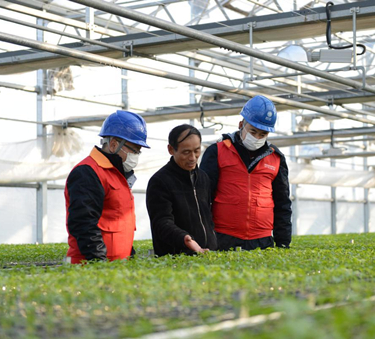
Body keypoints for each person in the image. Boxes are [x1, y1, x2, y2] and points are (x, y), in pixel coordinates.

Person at [200, 95, 292, 251]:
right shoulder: (217, 151)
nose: (256, 138)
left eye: (262, 134)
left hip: (262, 241)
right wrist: (205, 237)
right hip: (223, 238)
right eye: (253, 131)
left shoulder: (275, 158)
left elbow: (282, 203)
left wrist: (283, 243)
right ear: (241, 124)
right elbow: (203, 198)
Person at [65, 110, 150, 264]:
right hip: (92, 269)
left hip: (116, 267)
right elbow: (84, 224)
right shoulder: (88, 172)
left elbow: (121, 224)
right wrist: (100, 266)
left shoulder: (118, 175)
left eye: (139, 151)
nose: (136, 155)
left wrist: (130, 257)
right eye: (133, 150)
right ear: (113, 145)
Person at [146, 124, 217, 256]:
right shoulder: (160, 181)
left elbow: (208, 217)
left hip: (208, 255)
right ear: (171, 149)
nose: (193, 158)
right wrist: (184, 239)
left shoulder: (203, 178)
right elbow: (161, 222)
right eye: (186, 152)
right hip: (176, 258)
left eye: (196, 150)